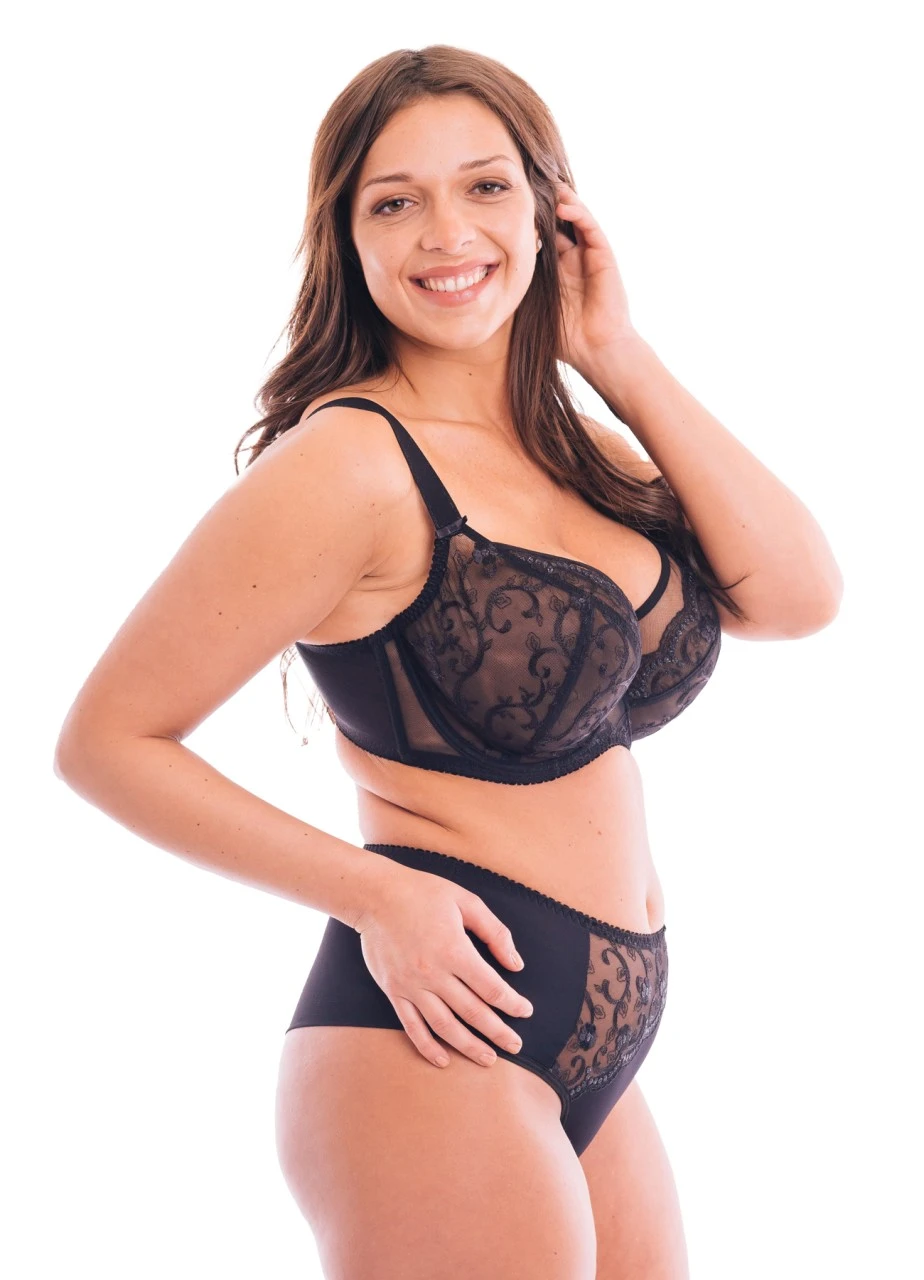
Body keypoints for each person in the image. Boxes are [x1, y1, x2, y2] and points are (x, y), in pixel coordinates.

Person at [53, 44, 843, 1280]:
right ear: (348, 238)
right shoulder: (348, 463)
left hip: (599, 1039)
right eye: (394, 201)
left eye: (484, 187)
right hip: (431, 1029)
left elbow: (799, 597)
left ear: (548, 210)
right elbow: (105, 741)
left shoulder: (582, 449)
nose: (446, 233)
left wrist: (618, 354)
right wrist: (377, 895)